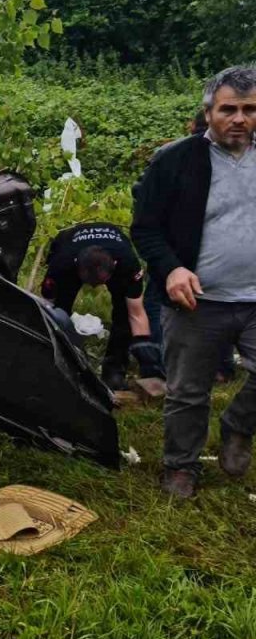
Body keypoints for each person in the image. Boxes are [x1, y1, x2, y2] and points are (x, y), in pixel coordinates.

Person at [131, 65, 256, 499]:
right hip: (198, 299)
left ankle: (239, 424)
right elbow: (144, 228)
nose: (239, 119)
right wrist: (172, 268)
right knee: (187, 391)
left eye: (249, 109)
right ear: (208, 112)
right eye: (228, 109)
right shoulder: (177, 160)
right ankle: (181, 467)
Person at [41, 222, 162, 389]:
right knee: (59, 312)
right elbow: (47, 306)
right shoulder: (62, 264)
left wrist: (146, 353)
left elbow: (136, 313)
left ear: (115, 266)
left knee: (123, 314)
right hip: (69, 245)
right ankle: (63, 363)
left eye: (100, 283)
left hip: (115, 250)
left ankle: (114, 371)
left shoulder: (128, 264)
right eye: (88, 283)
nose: (93, 287)